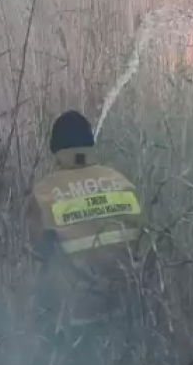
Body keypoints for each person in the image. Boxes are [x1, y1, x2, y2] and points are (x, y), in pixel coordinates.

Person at [27, 110, 148, 329]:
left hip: (76, 317)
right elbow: (143, 243)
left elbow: (38, 252)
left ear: (55, 150)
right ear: (90, 145)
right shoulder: (124, 184)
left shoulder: (44, 194)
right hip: (127, 310)